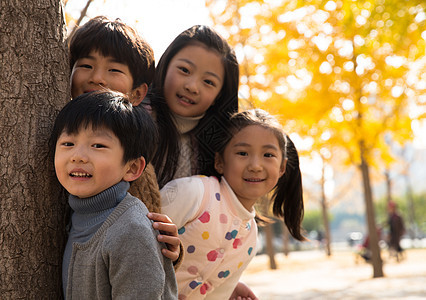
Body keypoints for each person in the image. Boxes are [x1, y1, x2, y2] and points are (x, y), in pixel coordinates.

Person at [160, 109, 305, 299]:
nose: (255, 165)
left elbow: (216, 295)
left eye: (268, 155)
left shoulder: (251, 239)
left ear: (282, 168)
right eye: (242, 153)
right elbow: (137, 240)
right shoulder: (194, 193)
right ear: (220, 161)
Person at [50, 91, 177, 299]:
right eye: (68, 144)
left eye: (98, 145)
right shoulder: (76, 214)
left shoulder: (130, 230)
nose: (78, 156)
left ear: (132, 167)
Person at [148, 25, 239, 188]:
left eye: (208, 82)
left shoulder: (219, 149)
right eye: (184, 70)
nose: (192, 87)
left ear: (219, 96)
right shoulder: (133, 119)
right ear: (166, 65)